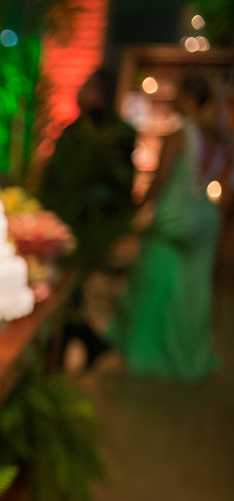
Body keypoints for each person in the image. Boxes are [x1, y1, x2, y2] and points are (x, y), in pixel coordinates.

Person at [109, 72, 226, 382]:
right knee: (193, 291)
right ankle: (187, 358)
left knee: (153, 285)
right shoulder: (217, 138)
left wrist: (135, 210)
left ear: (189, 98)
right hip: (205, 219)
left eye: (179, 94)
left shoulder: (179, 134)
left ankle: (145, 356)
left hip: (174, 218)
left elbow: (160, 182)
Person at [39, 68, 138, 367]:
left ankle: (74, 347)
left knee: (73, 292)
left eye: (87, 88)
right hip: (66, 222)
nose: (81, 94)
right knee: (68, 293)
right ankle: (80, 345)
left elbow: (120, 185)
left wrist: (111, 226)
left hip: (91, 226)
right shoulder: (74, 130)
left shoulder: (117, 133)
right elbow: (54, 177)